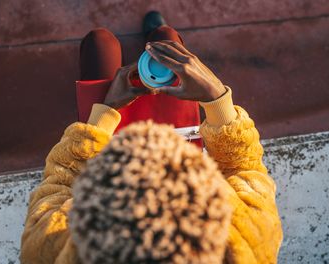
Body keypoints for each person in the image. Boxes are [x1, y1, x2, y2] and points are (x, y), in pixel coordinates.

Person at [20, 11, 282, 264]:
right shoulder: (250, 245)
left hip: (115, 121)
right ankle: (158, 37)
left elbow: (56, 186)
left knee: (100, 42)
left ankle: (153, 39)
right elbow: (246, 170)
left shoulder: (49, 245)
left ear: (95, 209)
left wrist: (106, 112)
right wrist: (217, 101)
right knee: (165, 38)